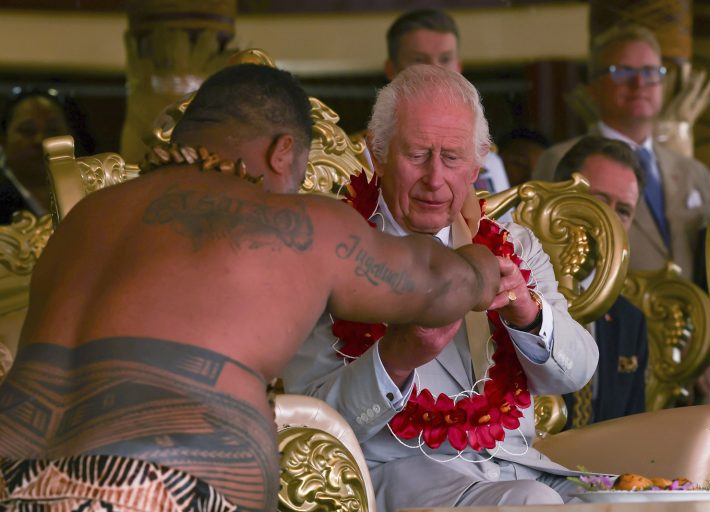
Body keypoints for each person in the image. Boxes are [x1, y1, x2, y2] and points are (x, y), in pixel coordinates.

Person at [0, 64, 510, 512]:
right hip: (146, 491)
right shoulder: (290, 222)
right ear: (282, 152)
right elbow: (440, 285)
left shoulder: (86, 218)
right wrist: (484, 262)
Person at [283, 65, 597, 510]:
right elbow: (308, 425)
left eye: (452, 158)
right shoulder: (331, 253)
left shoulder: (515, 246)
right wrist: (394, 359)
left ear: (477, 163)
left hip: (521, 469)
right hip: (405, 477)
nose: (434, 178)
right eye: (417, 154)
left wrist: (529, 315)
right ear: (378, 152)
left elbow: (578, 372)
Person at [533, 24, 710, 281]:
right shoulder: (560, 160)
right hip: (606, 315)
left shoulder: (694, 172)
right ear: (593, 87)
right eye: (622, 71)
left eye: (651, 72)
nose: (639, 82)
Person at [553, 135, 649, 428]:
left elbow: (633, 434)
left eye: (622, 211)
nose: (609, 219)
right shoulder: (518, 293)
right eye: (599, 201)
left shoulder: (629, 320)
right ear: (557, 198)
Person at [383, 8, 511, 194]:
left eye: (445, 59)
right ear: (391, 69)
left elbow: (503, 223)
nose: (435, 70)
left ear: (459, 68)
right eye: (419, 59)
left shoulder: (488, 161)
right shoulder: (365, 156)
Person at [0, 91, 72, 223]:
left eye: (52, 130)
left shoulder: (84, 194)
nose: (40, 140)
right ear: (3, 139)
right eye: (28, 130)